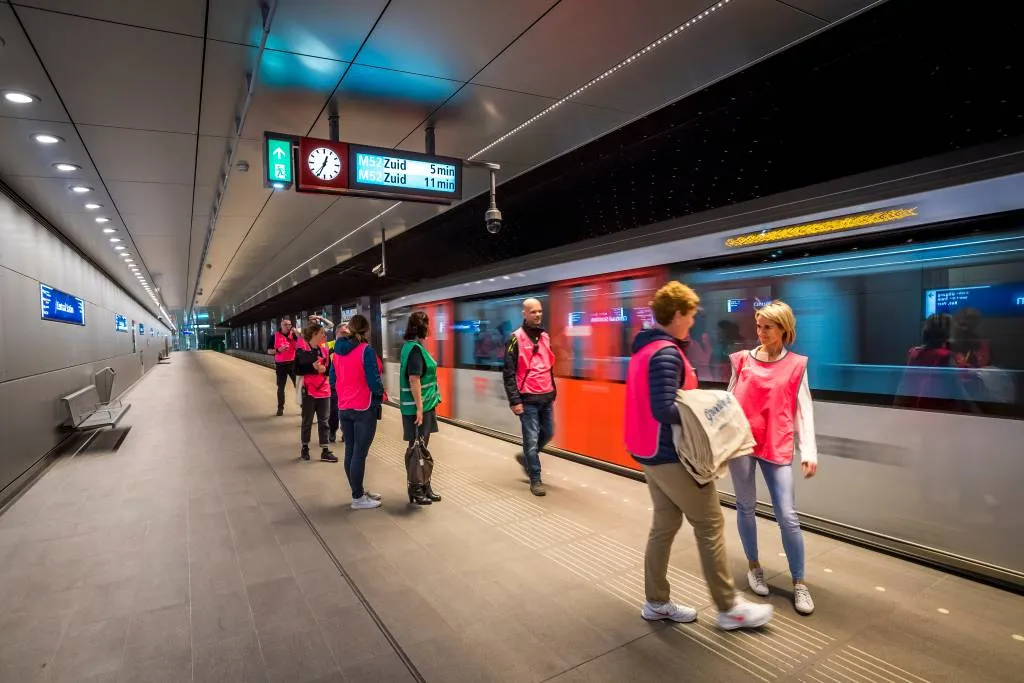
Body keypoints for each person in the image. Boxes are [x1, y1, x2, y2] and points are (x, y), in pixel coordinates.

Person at [625, 281, 773, 631]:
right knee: (709, 523)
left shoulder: (644, 349)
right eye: (690, 316)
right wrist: (710, 412)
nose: (692, 323)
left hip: (648, 451)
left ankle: (656, 602)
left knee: (665, 524)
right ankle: (728, 608)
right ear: (677, 314)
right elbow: (664, 408)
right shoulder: (664, 353)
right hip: (669, 454)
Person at [727, 300, 818, 615]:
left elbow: (804, 409)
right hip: (742, 444)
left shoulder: (796, 365)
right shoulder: (741, 361)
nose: (761, 332)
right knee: (746, 506)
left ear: (783, 329)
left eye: (768, 326)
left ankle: (800, 583)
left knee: (788, 516)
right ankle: (754, 565)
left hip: (776, 444)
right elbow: (728, 404)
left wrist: (808, 451)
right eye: (758, 326)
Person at [503, 298, 556, 497]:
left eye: (540, 311)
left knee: (549, 432)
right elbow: (508, 373)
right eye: (533, 312)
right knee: (531, 441)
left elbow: (548, 365)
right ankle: (536, 478)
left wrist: (553, 391)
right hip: (527, 398)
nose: (538, 315)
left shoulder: (545, 337)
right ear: (524, 313)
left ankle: (527, 458)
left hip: (546, 396)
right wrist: (514, 401)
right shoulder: (515, 338)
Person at [333, 315, 385, 510]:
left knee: (350, 452)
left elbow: (333, 378)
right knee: (359, 454)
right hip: (363, 408)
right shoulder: (366, 350)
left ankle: (358, 491)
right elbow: (373, 381)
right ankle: (357, 498)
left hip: (344, 407)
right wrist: (380, 392)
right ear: (365, 331)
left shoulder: (336, 352)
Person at [399, 311, 442, 506]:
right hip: (419, 409)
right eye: (429, 325)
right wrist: (419, 408)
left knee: (421, 448)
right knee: (417, 449)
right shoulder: (415, 350)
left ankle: (424, 485)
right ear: (422, 327)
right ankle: (416, 488)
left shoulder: (411, 347)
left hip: (424, 406)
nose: (430, 328)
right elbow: (414, 379)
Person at [294, 323, 338, 463]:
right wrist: (313, 369)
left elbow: (329, 368)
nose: (325, 336)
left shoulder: (324, 350)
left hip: (324, 390)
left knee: (324, 421)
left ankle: (325, 450)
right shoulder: (302, 349)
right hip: (309, 391)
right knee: (307, 421)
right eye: (322, 334)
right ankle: (305, 448)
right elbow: (297, 370)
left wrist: (323, 370)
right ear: (314, 335)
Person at [266, 318, 299, 416]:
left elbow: (302, 345)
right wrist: (278, 350)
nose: (288, 326)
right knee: (281, 388)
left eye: (289, 324)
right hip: (281, 365)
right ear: (281, 326)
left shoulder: (294, 335)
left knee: (298, 386)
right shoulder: (274, 336)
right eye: (286, 324)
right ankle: (280, 408)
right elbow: (268, 351)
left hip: (293, 364)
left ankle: (303, 407)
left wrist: (297, 335)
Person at [327, 323, 349, 443]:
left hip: (347, 385)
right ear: (337, 334)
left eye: (347, 333)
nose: (346, 335)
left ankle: (345, 432)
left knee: (346, 411)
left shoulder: (351, 346)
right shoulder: (329, 347)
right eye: (343, 333)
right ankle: (332, 430)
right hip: (334, 385)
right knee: (334, 411)